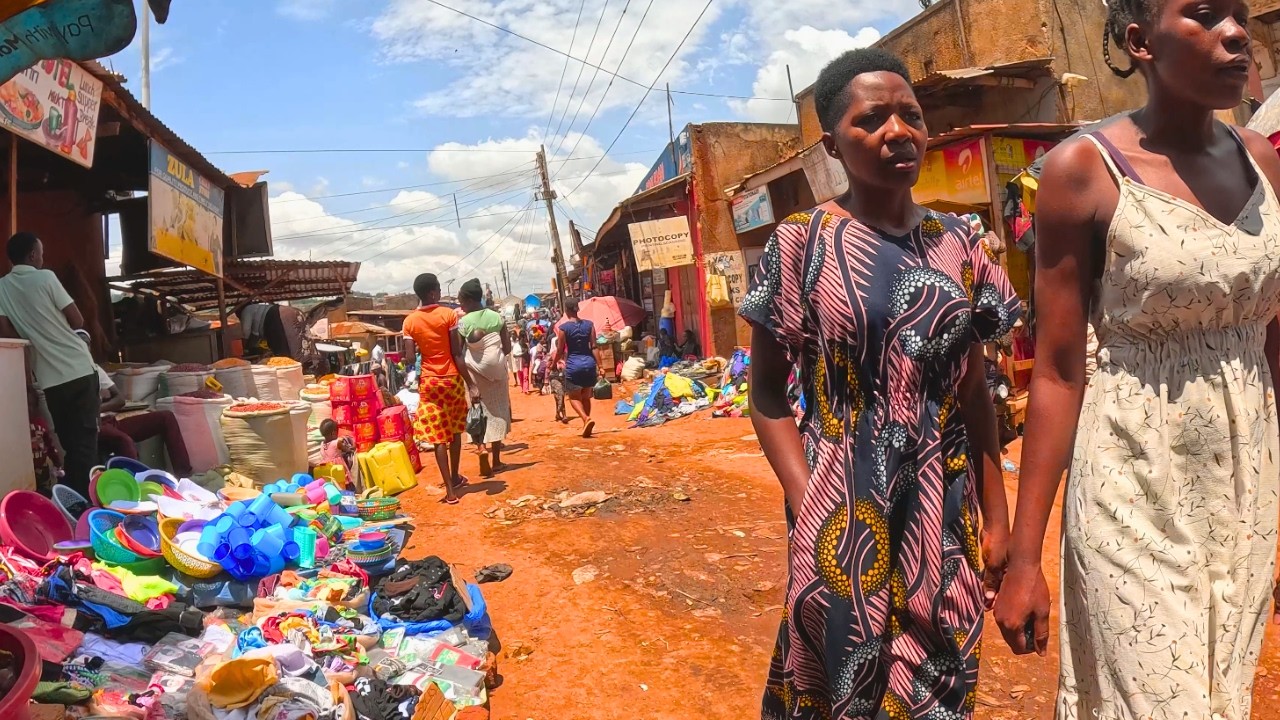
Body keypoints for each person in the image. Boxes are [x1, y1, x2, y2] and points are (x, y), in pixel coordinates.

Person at [993, 0, 1280, 716]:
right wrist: (1025, 558)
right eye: (1206, 15)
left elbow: (1274, 343)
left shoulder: (1263, 158)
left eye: (1240, 14)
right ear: (1139, 41)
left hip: (1246, 485)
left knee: (1221, 696)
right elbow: (1059, 371)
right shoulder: (1081, 171)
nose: (1237, 32)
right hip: (1131, 478)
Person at [740, 48, 1017, 719]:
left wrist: (997, 513)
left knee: (939, 679)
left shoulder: (961, 243)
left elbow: (974, 391)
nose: (899, 131)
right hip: (841, 495)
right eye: (873, 120)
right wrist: (810, 504)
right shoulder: (801, 243)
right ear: (833, 144)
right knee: (841, 683)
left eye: (911, 116)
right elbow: (768, 394)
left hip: (943, 498)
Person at [0, 232, 99, 497]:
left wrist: (33, 334)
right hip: (78, 369)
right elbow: (77, 320)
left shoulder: (2, 287)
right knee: (85, 443)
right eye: (41, 253)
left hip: (50, 379)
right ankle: (88, 504)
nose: (43, 258)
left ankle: (74, 502)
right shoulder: (46, 278)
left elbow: (8, 333)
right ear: (32, 255)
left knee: (68, 442)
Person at [402, 273, 478, 505]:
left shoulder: (409, 322)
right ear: (434, 292)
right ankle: (455, 477)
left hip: (430, 383)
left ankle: (450, 491)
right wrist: (472, 385)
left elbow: (407, 357)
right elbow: (457, 354)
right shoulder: (449, 315)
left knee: (437, 438)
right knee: (455, 432)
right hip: (452, 380)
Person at [86, 333, 193, 478]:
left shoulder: (95, 369)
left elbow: (119, 400)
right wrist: (95, 405)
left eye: (87, 345)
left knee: (166, 417)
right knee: (125, 441)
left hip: (109, 421)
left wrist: (96, 407)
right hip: (91, 427)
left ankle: (185, 475)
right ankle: (137, 485)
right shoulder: (70, 376)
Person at [457, 278, 513, 477]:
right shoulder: (497, 318)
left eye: (461, 301)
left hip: (473, 373)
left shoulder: (463, 323)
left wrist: (470, 383)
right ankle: (496, 461)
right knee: (497, 412)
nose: (460, 305)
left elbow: (458, 353)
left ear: (469, 300)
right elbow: (507, 348)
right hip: (497, 374)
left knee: (477, 412)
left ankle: (481, 448)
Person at [553, 298, 601, 438]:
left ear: (567, 311)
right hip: (589, 365)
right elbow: (594, 347)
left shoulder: (564, 328)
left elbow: (560, 350)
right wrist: (601, 366)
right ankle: (586, 423)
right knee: (586, 396)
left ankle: (586, 419)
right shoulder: (589, 325)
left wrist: (553, 364)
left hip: (574, 366)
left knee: (573, 397)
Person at [28, 386, 60, 496]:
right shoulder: (15, 426)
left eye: (31, 405)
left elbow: (49, 443)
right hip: (27, 470)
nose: (29, 409)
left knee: (49, 492)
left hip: (43, 466)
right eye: (25, 405)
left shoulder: (40, 422)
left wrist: (56, 460)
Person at [318, 419, 361, 492]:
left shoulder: (322, 444)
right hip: (338, 469)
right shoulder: (337, 442)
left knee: (332, 485)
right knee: (344, 484)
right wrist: (353, 446)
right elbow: (347, 450)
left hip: (327, 469)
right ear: (334, 433)